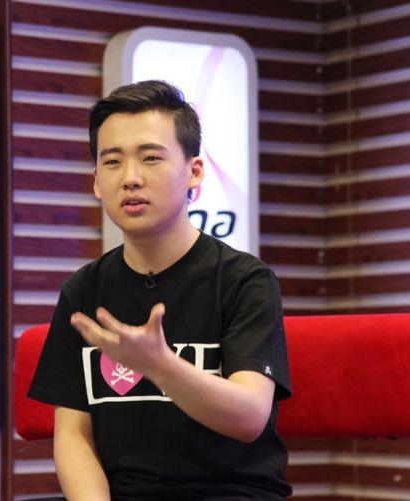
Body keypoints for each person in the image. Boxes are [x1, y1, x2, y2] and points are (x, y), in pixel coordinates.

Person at [28, 80, 292, 501]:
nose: (130, 178)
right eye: (112, 162)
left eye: (151, 158)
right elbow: (73, 434)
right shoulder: (83, 290)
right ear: (96, 181)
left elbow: (248, 418)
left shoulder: (245, 281)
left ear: (194, 172)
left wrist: (161, 366)